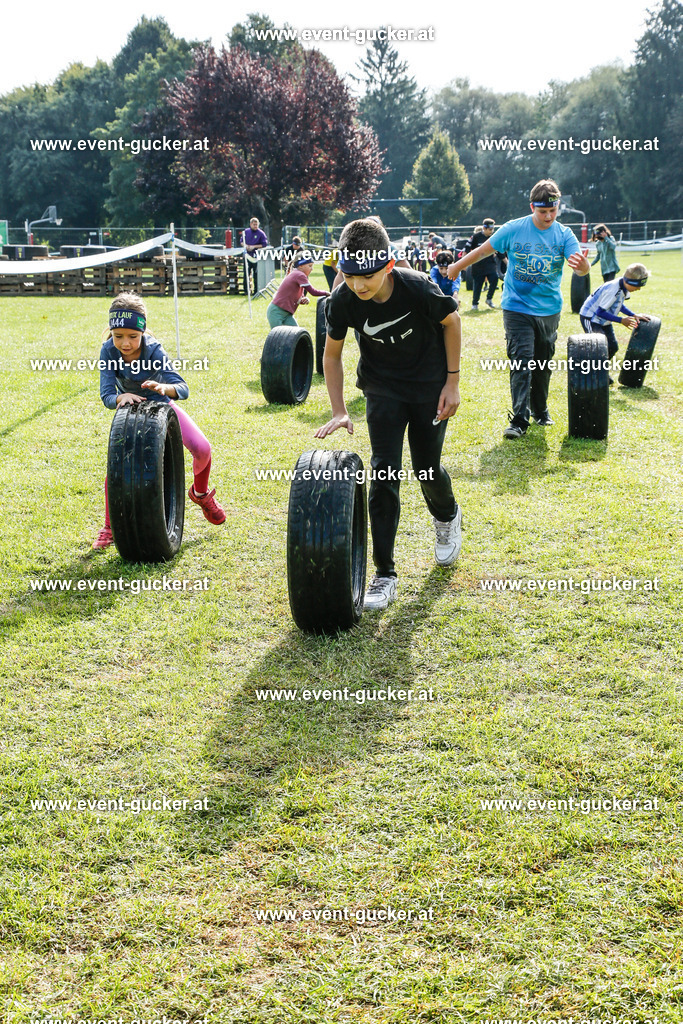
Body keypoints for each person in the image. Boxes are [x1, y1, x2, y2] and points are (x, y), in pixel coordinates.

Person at [315, 217, 463, 612]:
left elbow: (452, 322)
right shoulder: (342, 300)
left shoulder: (417, 287)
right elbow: (331, 355)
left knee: (427, 468)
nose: (358, 285)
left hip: (429, 386)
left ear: (388, 265)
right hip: (382, 390)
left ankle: (447, 516)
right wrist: (339, 410)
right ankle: (385, 574)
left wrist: (452, 382)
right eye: (348, 276)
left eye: (367, 276)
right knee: (383, 472)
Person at [448, 178, 591, 439]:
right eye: (542, 211)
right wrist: (458, 266)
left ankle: (540, 409)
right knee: (521, 360)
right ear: (532, 207)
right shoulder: (514, 229)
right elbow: (482, 251)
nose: (548, 216)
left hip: (548, 310)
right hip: (516, 307)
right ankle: (519, 420)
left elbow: (582, 268)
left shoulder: (563, 234)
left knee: (542, 363)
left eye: (552, 210)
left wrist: (582, 266)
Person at [93, 292, 225, 549]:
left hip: (162, 408)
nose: (126, 343)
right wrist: (121, 398)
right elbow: (107, 395)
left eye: (133, 336)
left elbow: (182, 388)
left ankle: (200, 494)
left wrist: (164, 388)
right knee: (117, 472)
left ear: (142, 331)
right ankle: (110, 527)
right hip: (129, 413)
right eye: (118, 336)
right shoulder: (108, 350)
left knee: (203, 448)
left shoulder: (153, 348)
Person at [579, 263, 650, 382]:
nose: (639, 289)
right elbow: (600, 312)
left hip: (604, 319)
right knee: (597, 348)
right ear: (631, 282)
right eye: (638, 286)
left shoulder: (623, 286)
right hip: (590, 318)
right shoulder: (613, 289)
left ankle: (600, 372)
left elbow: (618, 304)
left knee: (612, 346)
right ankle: (591, 375)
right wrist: (621, 320)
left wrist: (633, 315)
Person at [265, 253, 329, 328]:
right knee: (277, 336)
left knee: (295, 335)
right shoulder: (299, 275)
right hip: (277, 311)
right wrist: (327, 293)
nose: (312, 269)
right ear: (301, 266)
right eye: (310, 266)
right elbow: (313, 292)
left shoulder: (296, 274)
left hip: (287, 313)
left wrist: (303, 299)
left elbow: (297, 295)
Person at [464, 218, 498, 309]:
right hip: (478, 265)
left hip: (490, 264)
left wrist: (506, 262)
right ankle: (475, 304)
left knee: (495, 279)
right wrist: (464, 263)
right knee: (478, 285)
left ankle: (489, 299)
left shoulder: (493, 237)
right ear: (484, 228)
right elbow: (467, 248)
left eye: (492, 229)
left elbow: (500, 251)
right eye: (490, 229)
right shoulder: (476, 237)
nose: (491, 231)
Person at [242, 216, 268, 293]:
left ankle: (257, 290)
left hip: (257, 256)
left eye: (257, 224)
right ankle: (246, 291)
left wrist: (254, 247)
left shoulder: (261, 233)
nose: (255, 226)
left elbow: (264, 244)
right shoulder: (246, 232)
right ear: (250, 224)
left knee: (256, 274)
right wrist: (246, 246)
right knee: (246, 273)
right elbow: (241, 241)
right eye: (254, 224)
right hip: (247, 256)